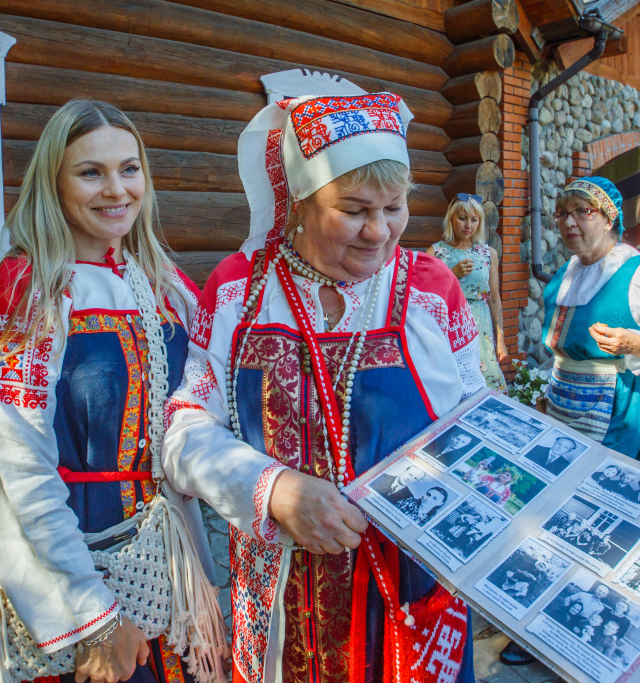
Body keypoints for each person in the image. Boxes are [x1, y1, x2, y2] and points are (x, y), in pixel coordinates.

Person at [162, 91, 483, 682]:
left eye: (395, 207)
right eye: (355, 209)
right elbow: (184, 429)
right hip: (281, 594)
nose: (380, 232)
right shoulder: (241, 292)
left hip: (412, 594)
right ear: (300, 202)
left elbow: (476, 426)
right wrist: (272, 489)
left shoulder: (432, 290)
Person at [0, 100, 226, 683]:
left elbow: (205, 399)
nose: (117, 189)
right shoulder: (25, 288)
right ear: (52, 182)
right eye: (91, 172)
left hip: (167, 552)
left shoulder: (160, 279)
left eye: (129, 169)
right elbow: (20, 473)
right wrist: (93, 620)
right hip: (75, 560)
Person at [540, 177, 640, 468]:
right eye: (563, 213)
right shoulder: (565, 275)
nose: (569, 222)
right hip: (562, 410)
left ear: (608, 219)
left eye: (582, 211)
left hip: (621, 409)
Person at [428, 194, 507, 391]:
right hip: (450, 324)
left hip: (481, 325)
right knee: (454, 381)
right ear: (451, 218)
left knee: (488, 378)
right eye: (462, 218)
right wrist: (452, 274)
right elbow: (426, 298)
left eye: (474, 219)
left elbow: (495, 299)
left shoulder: (488, 254)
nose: (468, 225)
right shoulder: (435, 253)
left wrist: (501, 339)